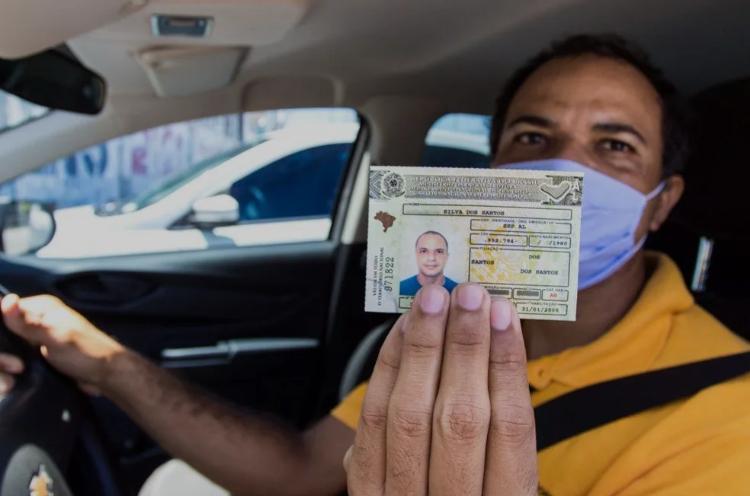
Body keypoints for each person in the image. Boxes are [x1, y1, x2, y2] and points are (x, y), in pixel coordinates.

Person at [2, 33, 750, 495]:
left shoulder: (726, 415)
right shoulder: (449, 322)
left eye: (614, 146)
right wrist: (106, 364)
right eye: (532, 138)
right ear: (492, 170)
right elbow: (301, 469)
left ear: (661, 202)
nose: (565, 171)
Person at [399, 230, 458, 296]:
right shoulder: (400, 289)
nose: (431, 258)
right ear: (416, 255)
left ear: (447, 256)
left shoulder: (457, 292)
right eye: (424, 251)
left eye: (439, 251)